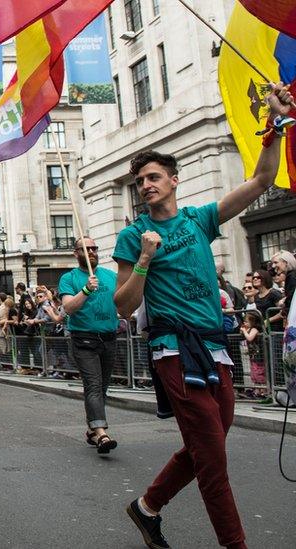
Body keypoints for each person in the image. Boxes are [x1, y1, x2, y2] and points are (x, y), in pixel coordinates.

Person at [114, 84, 289, 549]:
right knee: (212, 459)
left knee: (208, 442)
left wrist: (274, 129)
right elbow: (123, 305)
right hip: (173, 350)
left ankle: (147, 507)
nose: (146, 185)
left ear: (173, 180)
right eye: (140, 182)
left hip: (216, 347)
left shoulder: (199, 220)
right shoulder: (134, 236)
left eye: (153, 177)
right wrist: (147, 260)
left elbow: (260, 183)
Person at [59, 237, 120, 454]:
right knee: (93, 385)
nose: (91, 251)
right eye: (86, 248)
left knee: (101, 387)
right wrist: (85, 290)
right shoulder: (69, 278)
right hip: (84, 339)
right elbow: (68, 308)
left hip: (109, 337)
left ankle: (92, 430)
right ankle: (102, 433)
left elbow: (124, 300)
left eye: (94, 248)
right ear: (76, 253)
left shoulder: (111, 276)